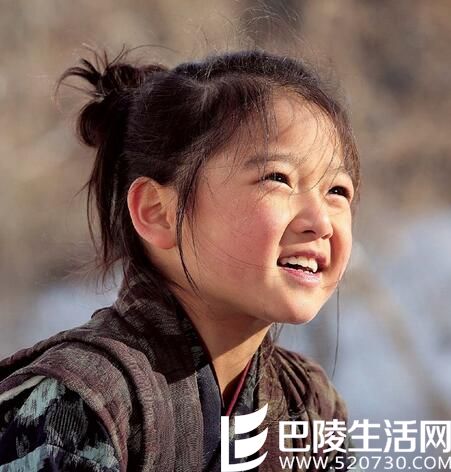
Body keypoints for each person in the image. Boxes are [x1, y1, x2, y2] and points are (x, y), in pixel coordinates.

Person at [0, 47, 360, 471]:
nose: (320, 222)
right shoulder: (75, 405)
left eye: (337, 191)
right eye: (278, 178)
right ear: (158, 212)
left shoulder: (309, 405)